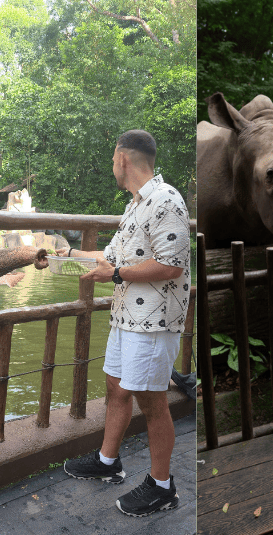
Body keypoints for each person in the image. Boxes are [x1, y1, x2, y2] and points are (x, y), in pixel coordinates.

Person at [59, 129, 191, 517]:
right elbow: (110, 257)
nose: (111, 166)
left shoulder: (167, 200)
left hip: (152, 323)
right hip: (126, 317)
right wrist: (62, 255)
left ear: (123, 159)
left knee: (152, 403)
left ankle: (163, 486)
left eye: (112, 160)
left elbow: (171, 265)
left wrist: (116, 274)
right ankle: (107, 461)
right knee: (116, 388)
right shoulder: (136, 204)